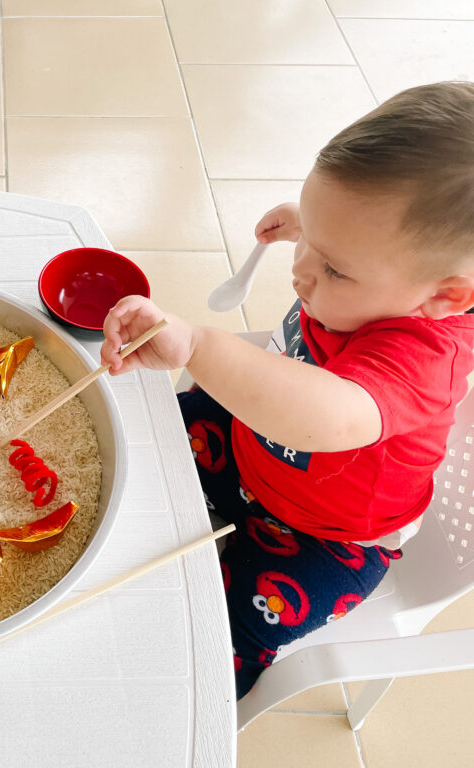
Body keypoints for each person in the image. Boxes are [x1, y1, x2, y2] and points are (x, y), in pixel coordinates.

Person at [100, 81, 474, 697]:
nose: (301, 271)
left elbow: (321, 417)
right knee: (130, 452)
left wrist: (197, 347)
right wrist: (318, 232)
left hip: (328, 537)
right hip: (250, 452)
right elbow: (362, 247)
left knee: (216, 633)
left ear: (444, 296)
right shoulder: (388, 273)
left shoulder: (427, 356)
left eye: (333, 268)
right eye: (311, 244)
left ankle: (171, 701)